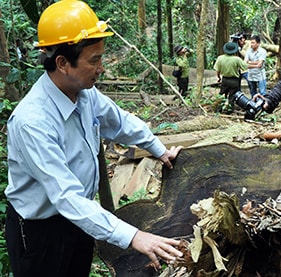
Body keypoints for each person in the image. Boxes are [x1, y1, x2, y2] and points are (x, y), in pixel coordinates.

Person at [5, 1, 183, 276]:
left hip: (81, 220)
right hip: (42, 234)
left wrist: (158, 149)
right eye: (94, 60)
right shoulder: (33, 122)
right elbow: (65, 196)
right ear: (63, 63)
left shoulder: (85, 93)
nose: (101, 68)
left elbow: (119, 121)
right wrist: (134, 236)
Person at [213, 41, 248, 114]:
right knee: (232, 96)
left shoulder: (220, 58)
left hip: (225, 79)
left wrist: (218, 77)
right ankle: (230, 110)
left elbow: (217, 70)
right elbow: (244, 67)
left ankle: (218, 109)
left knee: (222, 94)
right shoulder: (236, 59)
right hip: (234, 80)